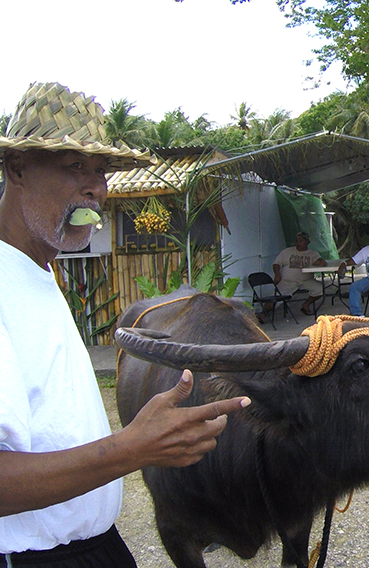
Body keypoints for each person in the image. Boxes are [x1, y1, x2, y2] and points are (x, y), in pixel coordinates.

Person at [0, 82, 250, 566]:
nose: (97, 188)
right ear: (17, 168)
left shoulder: (37, 268)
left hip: (95, 547)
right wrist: (131, 447)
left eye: (101, 171)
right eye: (75, 167)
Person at [272, 231, 327, 316]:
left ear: (307, 242)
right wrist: (277, 274)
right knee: (275, 297)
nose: (298, 243)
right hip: (288, 281)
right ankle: (263, 314)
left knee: (320, 288)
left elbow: (321, 262)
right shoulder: (287, 252)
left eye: (301, 241)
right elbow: (276, 263)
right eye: (297, 241)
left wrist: (319, 262)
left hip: (306, 280)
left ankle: (306, 304)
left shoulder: (312, 253)